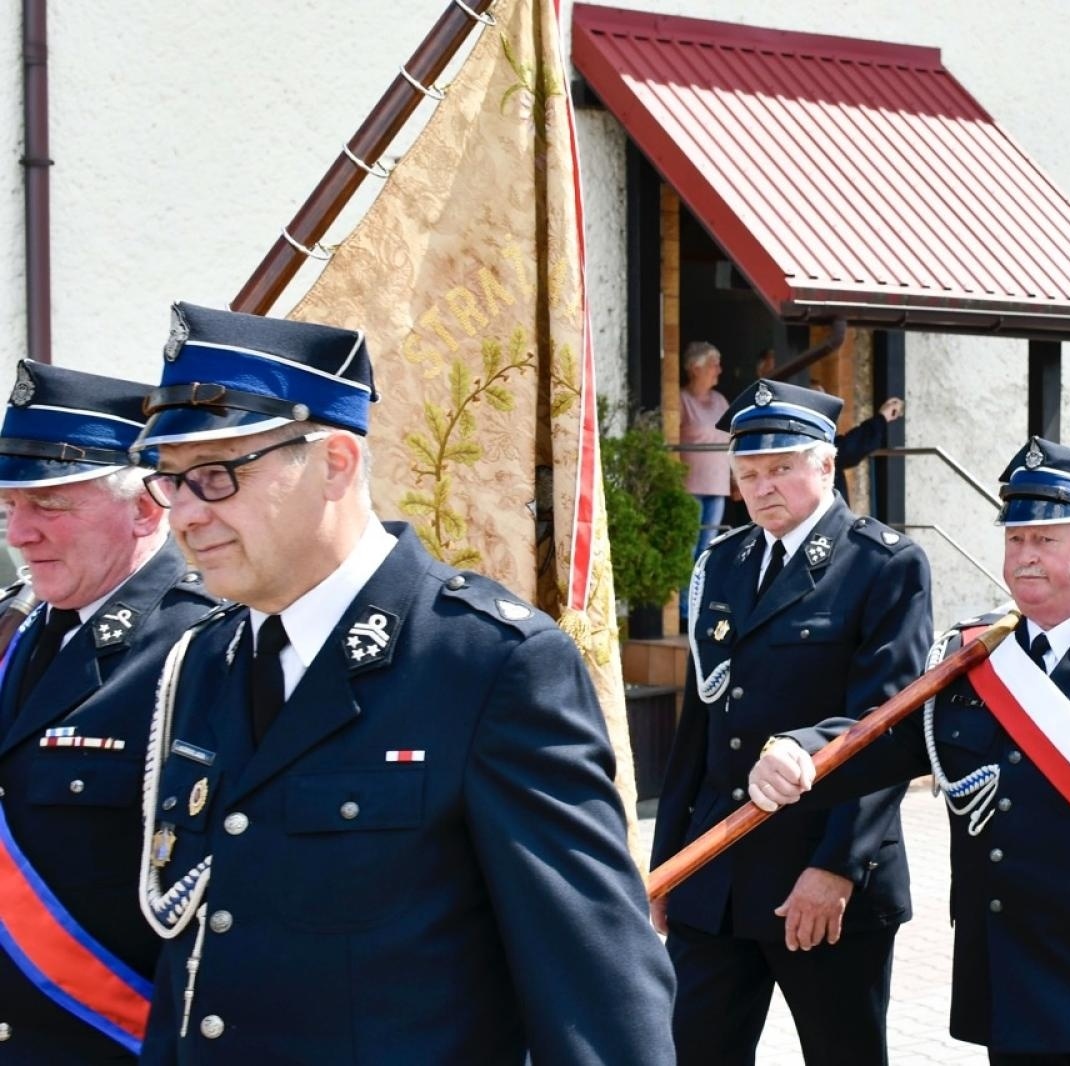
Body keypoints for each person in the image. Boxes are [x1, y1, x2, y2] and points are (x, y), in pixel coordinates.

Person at [132, 303, 674, 1065]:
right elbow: (193, 964)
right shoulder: (205, 661)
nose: (184, 515)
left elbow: (598, 992)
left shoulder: (487, 663)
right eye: (170, 482)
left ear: (336, 463)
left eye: (217, 477)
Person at [748, 435, 1070, 1065]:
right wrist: (801, 751)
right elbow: (885, 735)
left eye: (1047, 539)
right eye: (1015, 539)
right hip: (1012, 984)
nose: (1025, 556)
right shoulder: (975, 663)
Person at [651, 377, 932, 1065]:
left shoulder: (882, 565)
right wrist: (669, 864)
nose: (762, 487)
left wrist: (835, 868)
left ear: (827, 464)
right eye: (747, 473)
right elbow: (702, 724)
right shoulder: (721, 563)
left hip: (823, 873)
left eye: (781, 468)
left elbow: (883, 727)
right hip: (716, 872)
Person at [0, 361, 216, 1062]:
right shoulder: (18, 631)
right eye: (9, 508)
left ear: (146, 508)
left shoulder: (205, 643)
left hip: (116, 1039)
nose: (19, 535)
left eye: (50, 506)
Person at [680, 341, 730, 621]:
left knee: (708, 551)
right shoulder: (682, 400)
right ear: (695, 367)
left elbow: (731, 441)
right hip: (690, 487)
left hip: (717, 486)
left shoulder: (721, 401)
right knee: (688, 549)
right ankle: (685, 612)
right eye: (713, 364)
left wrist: (736, 479)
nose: (719, 370)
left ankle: (700, 607)